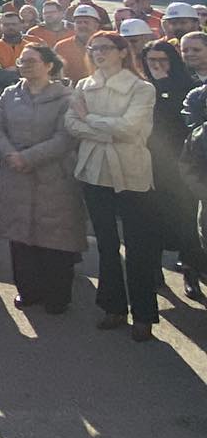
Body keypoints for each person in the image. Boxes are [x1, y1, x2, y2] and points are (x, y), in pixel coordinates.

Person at [67, 30, 159, 340]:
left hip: (131, 173)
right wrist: (105, 129)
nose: (98, 54)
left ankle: (144, 314)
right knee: (106, 245)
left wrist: (91, 119)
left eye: (105, 48)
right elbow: (71, 124)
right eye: (93, 49)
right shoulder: (83, 85)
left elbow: (131, 128)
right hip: (94, 172)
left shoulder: (142, 88)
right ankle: (113, 307)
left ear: (122, 52)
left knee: (138, 246)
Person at [0, 44, 82, 314]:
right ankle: (28, 290)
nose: (26, 65)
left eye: (32, 61)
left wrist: (28, 158)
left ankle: (57, 295)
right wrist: (11, 155)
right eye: (22, 61)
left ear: (49, 65)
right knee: (20, 236)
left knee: (55, 238)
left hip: (53, 176)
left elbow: (66, 137)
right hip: (15, 175)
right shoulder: (10, 94)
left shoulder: (66, 97)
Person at [140, 41, 204, 302]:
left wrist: (165, 85)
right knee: (152, 220)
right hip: (150, 164)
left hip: (182, 162)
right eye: (151, 60)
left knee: (187, 222)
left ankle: (190, 271)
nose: (157, 65)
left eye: (162, 60)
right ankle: (154, 272)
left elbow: (182, 121)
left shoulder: (187, 86)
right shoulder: (142, 87)